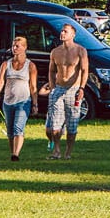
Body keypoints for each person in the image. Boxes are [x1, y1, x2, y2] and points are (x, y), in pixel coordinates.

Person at [43, 21, 90, 160]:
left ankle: (68, 152)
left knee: (72, 123)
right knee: (55, 123)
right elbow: (51, 70)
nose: (62, 33)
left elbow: (84, 70)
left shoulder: (80, 51)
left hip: (73, 89)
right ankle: (56, 150)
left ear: (73, 35)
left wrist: (81, 88)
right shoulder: (55, 51)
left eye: (66, 31)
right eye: (62, 31)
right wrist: (52, 86)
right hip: (58, 88)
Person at [0, 35, 37, 162]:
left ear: (25, 48)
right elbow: (0, 81)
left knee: (18, 128)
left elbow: (33, 86)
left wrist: (35, 103)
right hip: (8, 101)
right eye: (13, 46)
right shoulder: (6, 64)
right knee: (10, 130)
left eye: (18, 46)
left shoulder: (30, 66)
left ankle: (16, 154)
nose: (14, 48)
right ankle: (12, 151)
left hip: (23, 100)